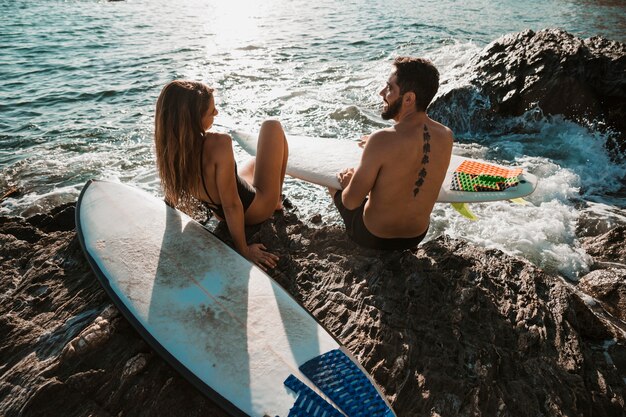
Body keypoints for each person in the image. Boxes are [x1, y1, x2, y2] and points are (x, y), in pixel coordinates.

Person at [154, 80, 288, 270]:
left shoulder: (172, 149)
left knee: (253, 162)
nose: (216, 113)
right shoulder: (219, 143)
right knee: (272, 126)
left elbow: (171, 198)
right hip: (255, 210)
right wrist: (244, 250)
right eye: (212, 111)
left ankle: (269, 190)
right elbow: (232, 204)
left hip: (220, 213)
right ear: (195, 119)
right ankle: (275, 201)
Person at [330, 57, 453, 251]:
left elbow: (351, 202)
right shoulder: (446, 135)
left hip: (373, 237)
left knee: (335, 185)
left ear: (409, 98)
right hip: (416, 236)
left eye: (389, 88)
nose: (382, 93)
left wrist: (347, 184)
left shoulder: (381, 140)